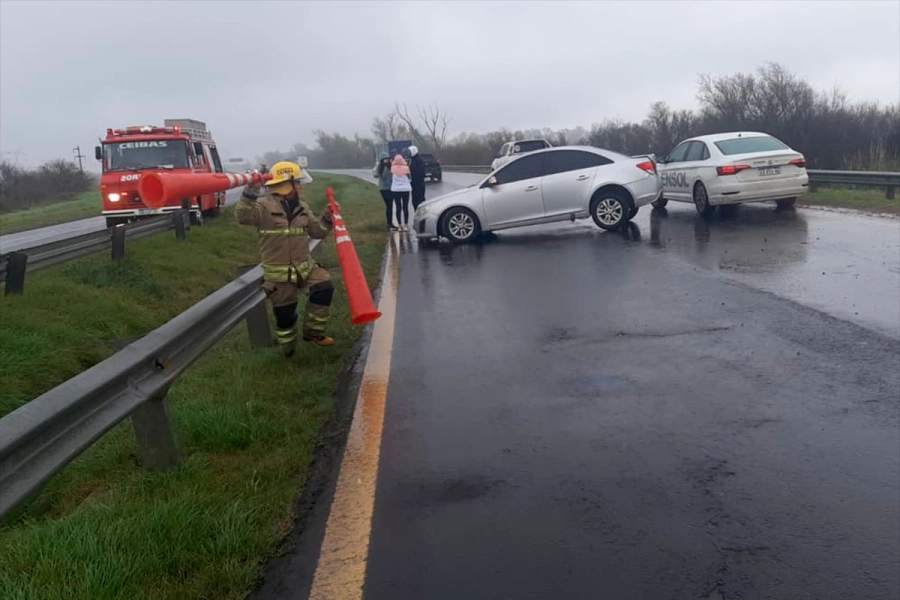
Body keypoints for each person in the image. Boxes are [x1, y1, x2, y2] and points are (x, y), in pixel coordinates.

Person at [235, 161, 340, 356]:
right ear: (286, 185)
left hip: (305, 268)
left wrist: (327, 217)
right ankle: (288, 352)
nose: (301, 187)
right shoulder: (263, 207)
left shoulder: (303, 207)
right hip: (279, 276)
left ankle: (313, 333)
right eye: (298, 183)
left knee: (324, 287)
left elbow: (318, 233)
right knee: (285, 317)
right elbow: (243, 216)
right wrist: (250, 192)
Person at [390, 154, 412, 231]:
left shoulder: (392, 169)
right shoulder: (406, 168)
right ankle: (406, 225)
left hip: (396, 190)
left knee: (398, 207)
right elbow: (409, 178)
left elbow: (391, 178)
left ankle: (399, 225)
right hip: (405, 189)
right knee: (405, 207)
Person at [376, 152, 396, 231]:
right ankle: (389, 223)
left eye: (387, 159)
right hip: (385, 189)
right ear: (382, 160)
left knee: (389, 206)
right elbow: (384, 178)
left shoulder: (388, 166)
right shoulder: (383, 168)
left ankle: (390, 223)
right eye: (385, 159)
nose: (386, 160)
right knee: (389, 205)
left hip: (389, 188)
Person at [408, 145, 426, 211]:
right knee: (414, 202)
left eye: (410, 152)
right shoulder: (412, 160)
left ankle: (421, 217)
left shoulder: (419, 161)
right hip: (414, 185)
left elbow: (421, 173)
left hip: (419, 184)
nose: (409, 153)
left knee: (420, 202)